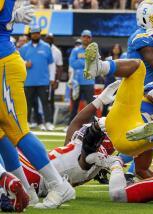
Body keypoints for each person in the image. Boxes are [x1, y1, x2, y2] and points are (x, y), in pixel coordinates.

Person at [0, 0, 75, 209]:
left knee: (19, 131)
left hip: (4, 64)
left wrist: (11, 17)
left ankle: (58, 185)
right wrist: (11, 16)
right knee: (1, 134)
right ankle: (25, 190)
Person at [84, 47, 153, 178]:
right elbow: (141, 170)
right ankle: (98, 67)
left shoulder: (149, 104)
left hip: (116, 123)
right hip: (128, 141)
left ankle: (100, 67)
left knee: (138, 66)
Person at [20, 25, 56, 131]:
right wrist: (25, 63)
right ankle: (25, 122)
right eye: (33, 33)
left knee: (45, 103)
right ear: (30, 34)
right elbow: (18, 63)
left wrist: (52, 77)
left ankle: (48, 122)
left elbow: (51, 64)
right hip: (28, 81)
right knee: (27, 104)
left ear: (40, 34)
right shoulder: (24, 48)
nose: (35, 35)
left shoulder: (46, 47)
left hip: (43, 81)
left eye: (37, 33)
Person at [68, 30, 95, 125]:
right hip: (77, 82)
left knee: (91, 105)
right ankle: (71, 124)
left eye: (88, 37)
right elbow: (72, 63)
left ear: (90, 39)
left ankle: (93, 125)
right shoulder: (75, 50)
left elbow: (94, 65)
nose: (86, 38)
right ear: (81, 37)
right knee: (74, 105)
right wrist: (86, 63)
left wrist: (80, 62)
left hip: (89, 81)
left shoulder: (94, 50)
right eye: (84, 36)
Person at [44, 33, 63, 127]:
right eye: (47, 38)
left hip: (51, 79)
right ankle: (38, 121)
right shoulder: (41, 48)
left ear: (53, 40)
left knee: (50, 101)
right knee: (37, 100)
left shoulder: (57, 51)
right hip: (40, 79)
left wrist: (57, 81)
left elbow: (60, 67)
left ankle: (50, 121)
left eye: (50, 39)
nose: (48, 40)